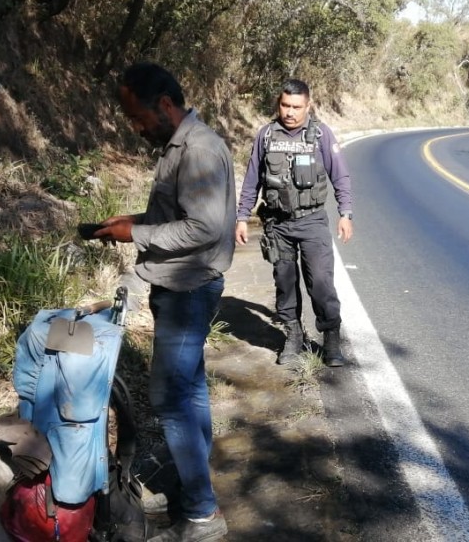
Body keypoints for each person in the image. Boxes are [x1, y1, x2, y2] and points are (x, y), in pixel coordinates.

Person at [95, 62, 234, 542]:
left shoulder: (197, 149)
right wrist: (127, 222)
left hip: (187, 289)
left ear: (166, 105)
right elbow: (174, 218)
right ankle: (193, 482)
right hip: (180, 287)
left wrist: (137, 231)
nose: (135, 127)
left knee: (169, 399)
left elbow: (204, 228)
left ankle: (201, 514)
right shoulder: (179, 145)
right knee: (189, 392)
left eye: (138, 116)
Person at [235, 79, 353, 367]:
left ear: (308, 106)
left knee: (321, 284)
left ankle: (332, 339)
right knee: (285, 284)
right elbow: (252, 179)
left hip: (312, 221)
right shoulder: (265, 136)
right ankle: (293, 336)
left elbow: (340, 175)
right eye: (285, 105)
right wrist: (241, 216)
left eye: (296, 107)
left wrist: (345, 213)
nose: (289, 112)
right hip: (278, 225)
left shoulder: (321, 134)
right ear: (279, 104)